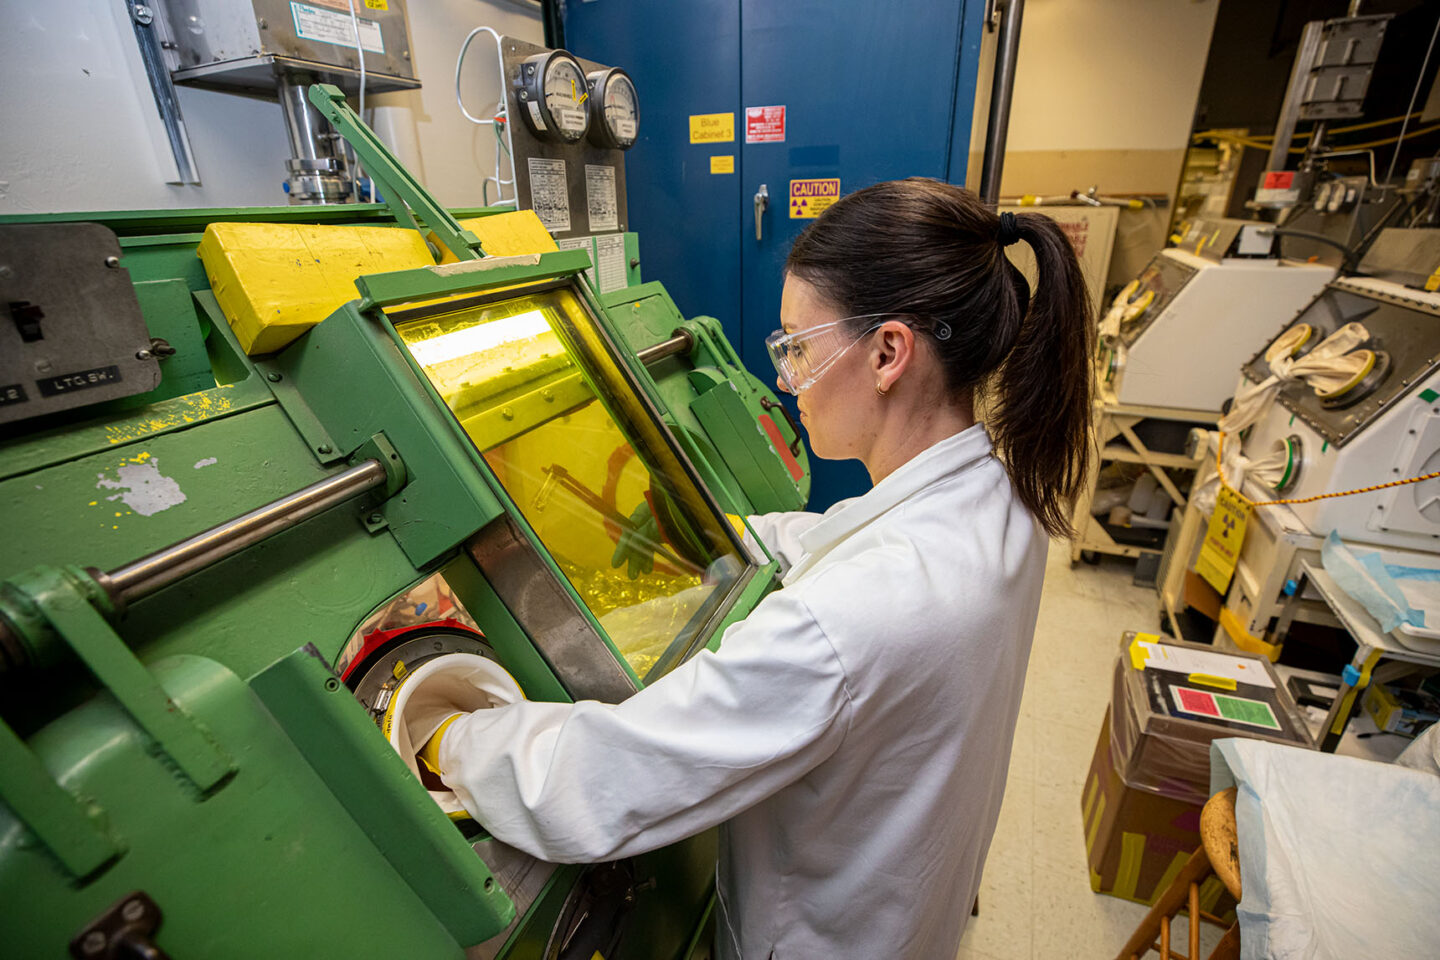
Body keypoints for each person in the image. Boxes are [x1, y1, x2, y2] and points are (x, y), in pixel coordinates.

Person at [410, 178, 1094, 959]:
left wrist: (447, 734)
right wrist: (723, 535)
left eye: (797, 346)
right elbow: (848, 537)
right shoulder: (1004, 500)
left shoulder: (848, 622)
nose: (784, 377)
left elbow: (599, 782)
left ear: (887, 352)